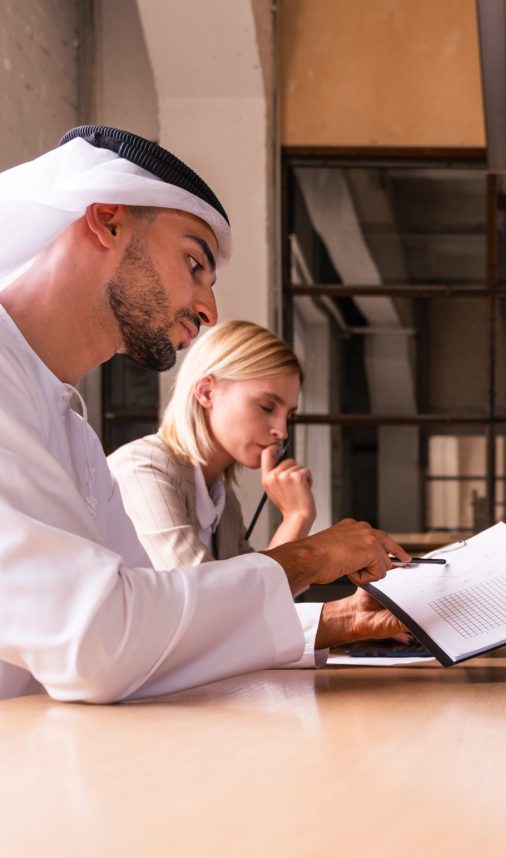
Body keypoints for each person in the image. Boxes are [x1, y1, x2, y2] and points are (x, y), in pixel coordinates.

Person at [0, 125, 413, 702]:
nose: (209, 309)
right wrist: (310, 554)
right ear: (107, 220)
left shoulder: (68, 426)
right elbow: (98, 645)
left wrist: (342, 621)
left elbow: (153, 618)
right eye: (194, 262)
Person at [109, 320, 318, 566]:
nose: (281, 431)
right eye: (266, 407)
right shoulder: (145, 468)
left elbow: (252, 594)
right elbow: (205, 596)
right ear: (207, 392)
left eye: (289, 416)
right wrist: (296, 517)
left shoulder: (225, 504)